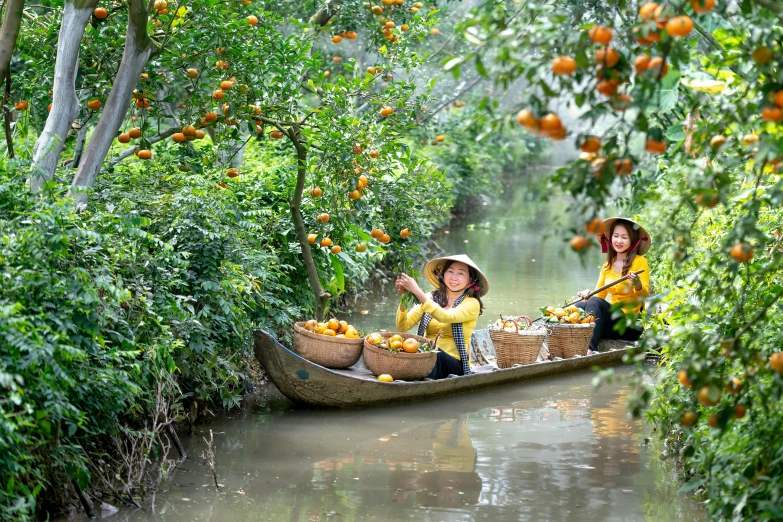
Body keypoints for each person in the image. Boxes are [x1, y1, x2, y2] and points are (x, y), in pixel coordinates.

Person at [395, 254, 488, 379]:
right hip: (427, 356)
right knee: (403, 347)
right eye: (450, 271)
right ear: (442, 275)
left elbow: (445, 316)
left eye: (461, 273)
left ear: (470, 281)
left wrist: (417, 291)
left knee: (434, 353)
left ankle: (420, 384)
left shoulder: (472, 303)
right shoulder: (430, 298)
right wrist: (405, 296)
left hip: (455, 364)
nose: (454, 277)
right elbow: (402, 327)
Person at [575, 217, 651, 354]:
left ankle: (590, 350)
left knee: (594, 303)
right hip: (613, 321)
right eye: (616, 236)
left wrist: (637, 283)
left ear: (632, 240)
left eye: (624, 237)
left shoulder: (640, 262)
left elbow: (644, 295)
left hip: (630, 324)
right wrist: (587, 294)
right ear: (610, 239)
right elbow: (599, 296)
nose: (619, 241)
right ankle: (570, 343)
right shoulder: (608, 264)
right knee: (579, 307)